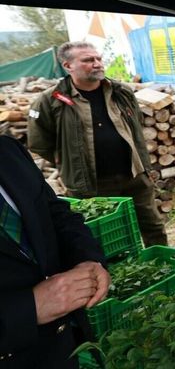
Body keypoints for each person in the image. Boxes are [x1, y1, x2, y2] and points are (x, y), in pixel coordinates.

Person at [28, 41, 167, 247]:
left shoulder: (121, 91)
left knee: (153, 227)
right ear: (68, 66)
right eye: (88, 60)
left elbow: (136, 124)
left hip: (134, 176)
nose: (97, 63)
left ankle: (162, 266)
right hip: (92, 186)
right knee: (109, 239)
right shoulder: (51, 100)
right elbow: (40, 143)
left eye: (98, 59)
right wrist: (71, 163)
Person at [0, 135, 110, 368]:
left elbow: (56, 213)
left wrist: (87, 258)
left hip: (63, 349)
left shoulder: (7, 149)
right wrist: (28, 309)